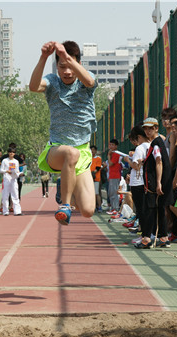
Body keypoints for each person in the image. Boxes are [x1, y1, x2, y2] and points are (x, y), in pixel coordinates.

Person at [30, 40, 98, 225]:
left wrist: (67, 57)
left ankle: (69, 184)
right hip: (56, 150)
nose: (67, 72)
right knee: (70, 152)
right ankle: (65, 206)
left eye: (70, 66)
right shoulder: (53, 82)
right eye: (62, 66)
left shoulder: (86, 80)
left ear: (78, 64)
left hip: (82, 152)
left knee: (88, 210)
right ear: (57, 67)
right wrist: (43, 57)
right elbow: (33, 86)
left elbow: (90, 81)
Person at [136, 118, 172, 249]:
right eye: (145, 128)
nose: (147, 131)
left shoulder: (156, 144)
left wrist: (158, 183)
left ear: (156, 128)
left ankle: (146, 239)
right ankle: (163, 237)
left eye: (150, 128)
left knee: (149, 210)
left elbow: (159, 161)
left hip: (154, 184)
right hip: (157, 182)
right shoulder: (158, 143)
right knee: (160, 209)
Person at [0, 147, 22, 216]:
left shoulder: (16, 161)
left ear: (14, 153)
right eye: (10, 152)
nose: (11, 154)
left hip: (14, 180)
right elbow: (1, 170)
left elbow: (17, 170)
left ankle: (17, 211)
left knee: (15, 195)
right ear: (8, 153)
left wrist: (18, 173)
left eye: (13, 152)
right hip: (6, 179)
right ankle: (5, 211)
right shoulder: (4, 161)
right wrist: (6, 171)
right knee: (5, 195)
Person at [107, 139, 123, 214]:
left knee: (114, 192)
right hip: (112, 175)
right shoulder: (113, 153)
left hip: (115, 175)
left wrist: (108, 156)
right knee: (111, 192)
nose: (110, 146)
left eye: (112, 145)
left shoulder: (116, 154)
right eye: (110, 145)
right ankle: (113, 208)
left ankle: (115, 208)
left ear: (116, 146)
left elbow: (110, 164)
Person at [90, 145, 102, 211]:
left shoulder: (98, 158)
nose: (92, 151)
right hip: (89, 178)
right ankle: (93, 207)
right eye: (91, 150)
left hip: (96, 178)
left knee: (96, 193)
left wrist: (92, 173)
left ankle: (99, 206)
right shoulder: (88, 158)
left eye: (93, 150)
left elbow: (98, 168)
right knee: (91, 194)